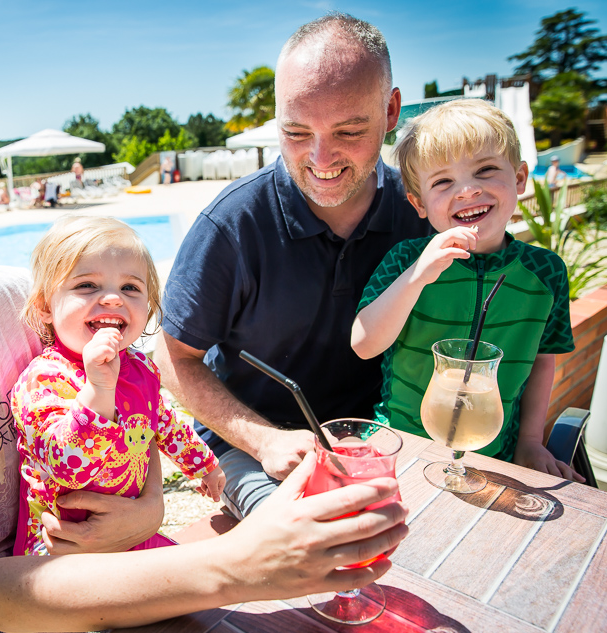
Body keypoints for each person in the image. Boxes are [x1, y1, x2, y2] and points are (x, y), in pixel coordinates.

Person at [0, 84, 408, 633]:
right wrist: (242, 561)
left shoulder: (8, 303)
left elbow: (128, 404)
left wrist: (148, 506)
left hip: (67, 555)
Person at [153, 12, 433, 521]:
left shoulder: (419, 211)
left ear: (391, 110)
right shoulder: (233, 224)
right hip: (257, 452)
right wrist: (263, 440)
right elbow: (171, 356)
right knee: (300, 540)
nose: (321, 158)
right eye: (297, 131)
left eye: (349, 130)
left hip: (379, 437)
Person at [351, 99, 581, 481]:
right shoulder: (405, 259)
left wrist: (530, 440)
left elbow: (543, 360)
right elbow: (363, 344)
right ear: (418, 203)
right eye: (443, 182)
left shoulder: (546, 272)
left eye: (486, 170)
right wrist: (419, 275)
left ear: (520, 178)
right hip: (400, 446)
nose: (468, 190)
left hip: (495, 455)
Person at [11, 216, 225, 556]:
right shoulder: (45, 379)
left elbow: (163, 422)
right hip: (61, 544)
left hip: (129, 529)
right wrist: (98, 390)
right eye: (87, 286)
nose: (112, 299)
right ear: (44, 307)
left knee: (188, 578)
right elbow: (66, 466)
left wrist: (203, 464)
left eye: (130, 288)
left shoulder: (140, 367)